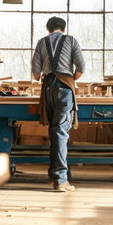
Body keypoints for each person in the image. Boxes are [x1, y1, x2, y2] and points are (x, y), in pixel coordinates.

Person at [32, 17, 85, 192]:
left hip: (47, 89)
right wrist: (69, 79)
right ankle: (61, 180)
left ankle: (54, 174)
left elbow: (36, 74)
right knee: (60, 131)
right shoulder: (70, 40)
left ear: (48, 29)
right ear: (63, 28)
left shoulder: (41, 42)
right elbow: (80, 68)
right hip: (64, 88)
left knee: (54, 131)